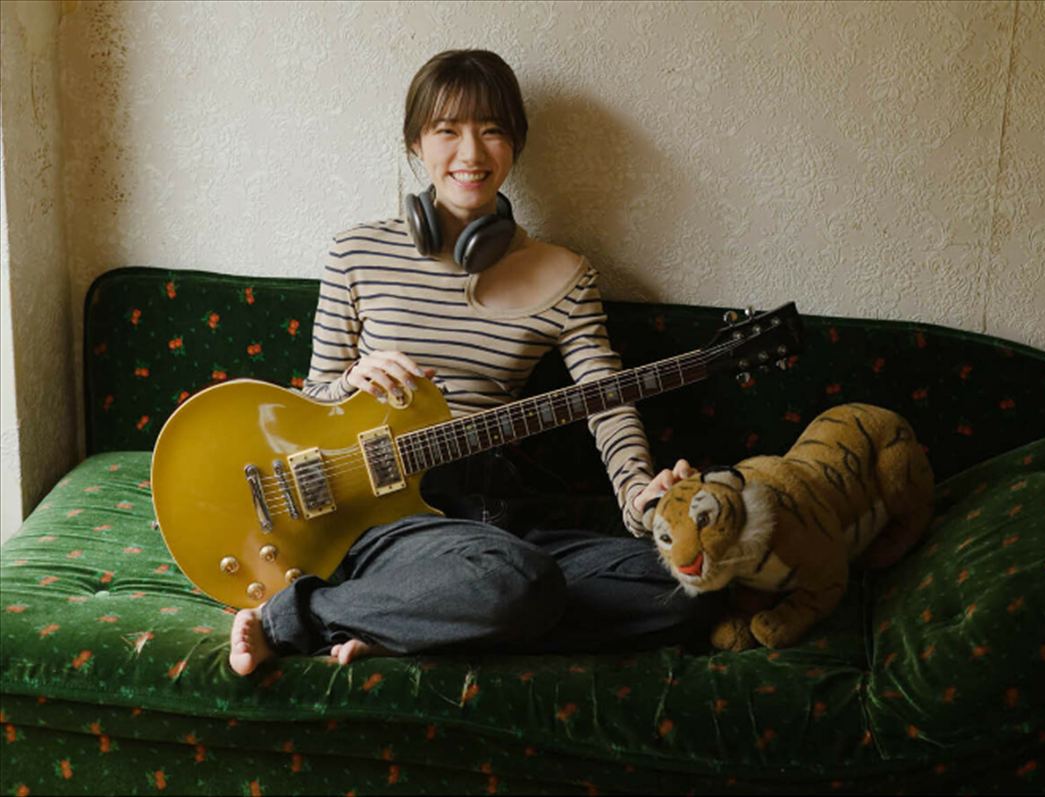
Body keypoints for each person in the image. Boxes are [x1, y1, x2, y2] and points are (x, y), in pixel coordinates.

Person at [229, 49, 716, 675]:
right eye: (446, 130)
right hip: (393, 515)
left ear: (515, 145)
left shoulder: (566, 276)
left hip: (499, 513)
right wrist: (350, 381)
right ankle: (303, 616)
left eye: (492, 131)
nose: (471, 153)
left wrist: (641, 499)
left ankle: (415, 621)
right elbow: (309, 399)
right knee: (518, 582)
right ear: (415, 144)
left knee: (692, 581)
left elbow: (607, 399)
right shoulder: (357, 252)